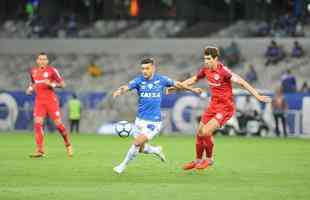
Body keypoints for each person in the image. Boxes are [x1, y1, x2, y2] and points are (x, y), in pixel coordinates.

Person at [167, 46, 271, 170]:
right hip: (213, 105)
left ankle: (209, 160)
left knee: (206, 132)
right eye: (205, 58)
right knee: (200, 132)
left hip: (225, 108)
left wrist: (257, 95)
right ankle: (197, 160)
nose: (206, 61)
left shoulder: (224, 72)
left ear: (216, 59)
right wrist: (178, 87)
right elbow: (194, 79)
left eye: (209, 59)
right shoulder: (206, 69)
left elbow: (242, 82)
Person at [112, 58, 201, 174]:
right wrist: (120, 91)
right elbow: (127, 86)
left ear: (153, 68)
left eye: (147, 68)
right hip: (139, 120)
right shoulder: (139, 81)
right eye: (142, 68)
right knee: (141, 149)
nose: (144, 71)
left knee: (136, 143)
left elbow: (177, 84)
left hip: (153, 122)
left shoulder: (161, 80)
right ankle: (156, 150)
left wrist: (192, 89)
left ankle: (122, 166)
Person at [26, 52, 73, 158]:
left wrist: (51, 84)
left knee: (58, 125)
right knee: (37, 124)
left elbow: (63, 84)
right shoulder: (33, 71)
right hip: (39, 102)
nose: (42, 61)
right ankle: (40, 150)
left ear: (47, 61)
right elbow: (33, 83)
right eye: (40, 59)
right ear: (37, 61)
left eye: (44, 59)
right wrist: (30, 89)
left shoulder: (52, 71)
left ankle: (68, 143)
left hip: (51, 101)